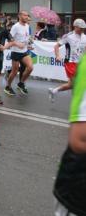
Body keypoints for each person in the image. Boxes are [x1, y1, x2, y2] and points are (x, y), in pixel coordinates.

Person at [53, 53, 86, 215]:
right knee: (71, 84)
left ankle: (54, 90)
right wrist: (60, 55)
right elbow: (79, 139)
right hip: (79, 181)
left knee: (71, 84)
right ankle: (54, 90)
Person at [49, 19, 86, 103]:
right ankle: (78, 103)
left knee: (71, 85)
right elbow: (56, 46)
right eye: (81, 28)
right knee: (76, 84)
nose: (82, 30)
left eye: (83, 28)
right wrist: (58, 56)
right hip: (70, 62)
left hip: (81, 63)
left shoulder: (84, 37)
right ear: (75, 27)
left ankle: (54, 91)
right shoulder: (68, 36)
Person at [4, 11, 34, 96]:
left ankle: (21, 83)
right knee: (14, 72)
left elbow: (27, 38)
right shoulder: (15, 27)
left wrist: (28, 45)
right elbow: (10, 38)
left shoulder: (27, 26)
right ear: (20, 16)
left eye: (27, 15)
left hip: (24, 51)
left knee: (30, 67)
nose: (26, 17)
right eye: (24, 15)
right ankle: (8, 86)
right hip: (16, 52)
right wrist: (17, 44)